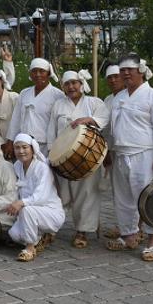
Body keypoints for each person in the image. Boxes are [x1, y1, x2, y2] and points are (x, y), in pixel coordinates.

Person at [105, 56, 153, 261]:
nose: (126, 74)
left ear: (141, 71)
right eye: (122, 70)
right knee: (123, 198)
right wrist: (108, 150)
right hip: (121, 153)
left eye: (130, 70)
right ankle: (129, 236)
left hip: (146, 154)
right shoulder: (118, 98)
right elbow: (111, 128)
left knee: (149, 198)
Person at [45, 70, 109, 249]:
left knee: (86, 194)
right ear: (63, 87)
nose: (71, 87)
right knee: (60, 194)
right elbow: (51, 130)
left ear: (81, 84)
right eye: (67, 84)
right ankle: (51, 227)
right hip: (63, 159)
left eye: (74, 83)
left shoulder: (94, 103)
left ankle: (82, 231)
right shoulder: (58, 105)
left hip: (88, 157)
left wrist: (90, 119)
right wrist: (52, 154)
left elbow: (105, 118)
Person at [6, 134, 65, 262]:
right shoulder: (16, 166)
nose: (21, 151)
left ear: (32, 148)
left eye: (24, 147)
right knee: (14, 235)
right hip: (29, 212)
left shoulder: (42, 168)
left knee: (27, 211)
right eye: (17, 148)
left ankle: (30, 248)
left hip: (50, 212)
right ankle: (42, 236)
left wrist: (21, 203)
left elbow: (41, 197)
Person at [6, 58, 65, 157]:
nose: (37, 74)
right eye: (34, 71)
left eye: (42, 71)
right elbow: (16, 118)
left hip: (46, 145)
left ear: (48, 73)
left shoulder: (58, 95)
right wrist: (10, 140)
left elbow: (59, 124)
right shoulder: (24, 93)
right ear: (30, 74)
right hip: (24, 144)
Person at [100, 64, 125, 240]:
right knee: (118, 191)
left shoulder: (130, 96)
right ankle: (123, 224)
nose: (113, 80)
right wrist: (105, 150)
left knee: (132, 190)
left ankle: (137, 226)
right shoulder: (107, 100)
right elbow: (104, 129)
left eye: (116, 76)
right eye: (110, 77)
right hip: (113, 150)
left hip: (130, 149)